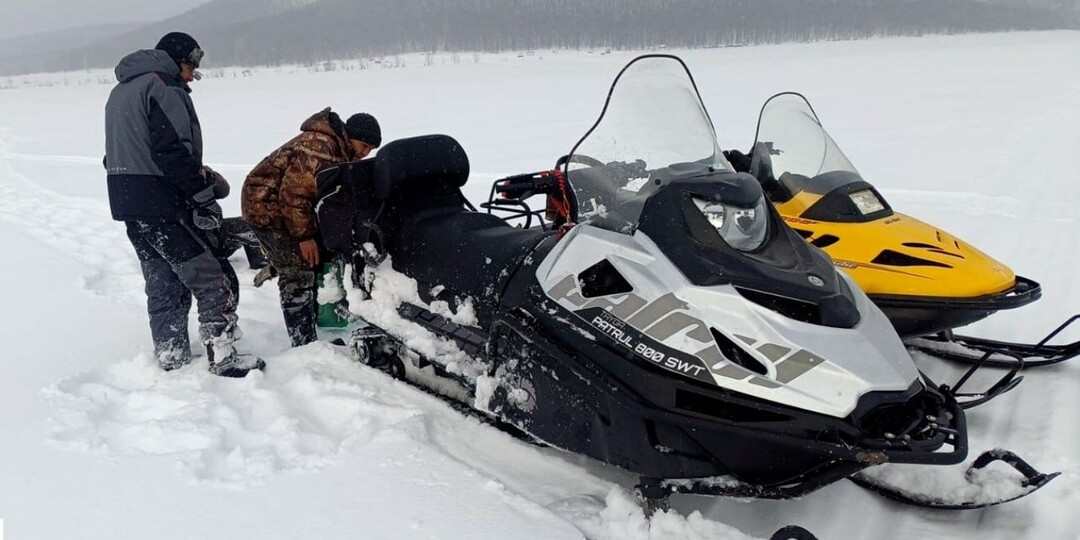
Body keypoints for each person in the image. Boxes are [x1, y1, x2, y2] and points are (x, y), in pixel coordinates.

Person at [104, 32, 263, 377]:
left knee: (162, 281)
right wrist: (203, 197)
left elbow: (114, 154)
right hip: (162, 204)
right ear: (178, 60)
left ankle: (171, 353)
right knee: (212, 277)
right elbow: (173, 151)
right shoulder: (164, 87)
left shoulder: (121, 92)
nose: (192, 76)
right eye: (192, 67)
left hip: (128, 202)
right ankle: (223, 356)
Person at [242, 108, 381, 347]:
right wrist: (304, 237)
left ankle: (313, 316)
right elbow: (294, 195)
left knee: (316, 258)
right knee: (298, 273)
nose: (365, 153)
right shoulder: (321, 147)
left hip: (290, 209)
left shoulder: (340, 148)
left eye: (371, 149)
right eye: (364, 145)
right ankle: (304, 345)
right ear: (351, 135)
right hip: (266, 207)